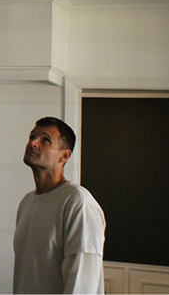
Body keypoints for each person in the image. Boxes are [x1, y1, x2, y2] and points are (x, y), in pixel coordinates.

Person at [13, 117, 106, 295]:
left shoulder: (78, 203)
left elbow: (83, 285)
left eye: (45, 140)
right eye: (32, 136)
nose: (33, 143)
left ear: (64, 155)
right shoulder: (27, 203)